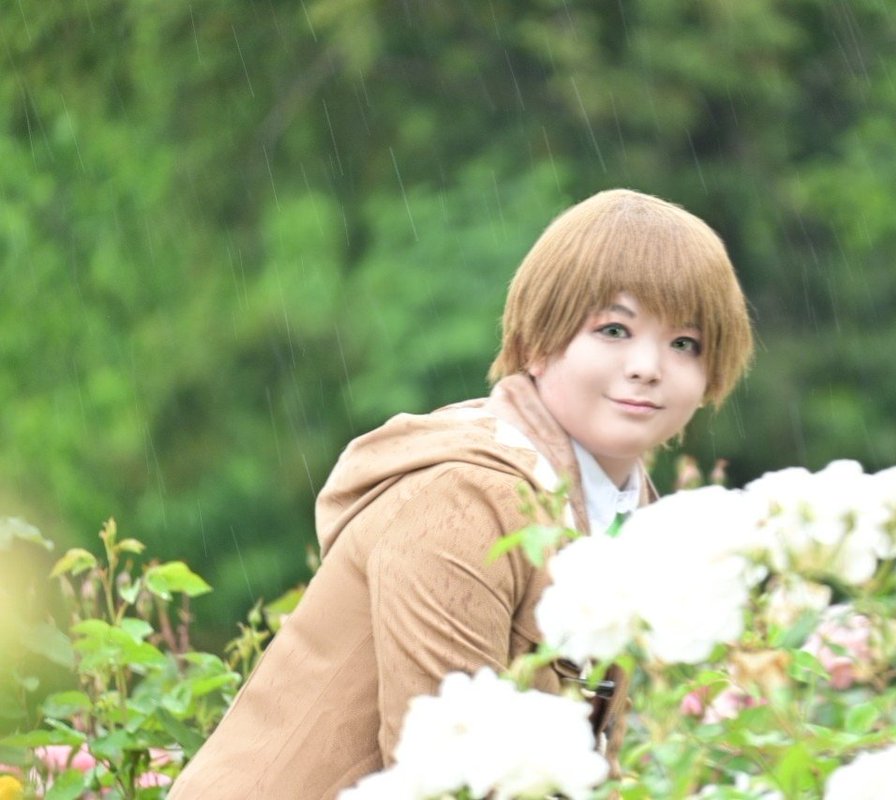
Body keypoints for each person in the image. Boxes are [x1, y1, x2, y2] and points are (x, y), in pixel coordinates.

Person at [167, 188, 754, 799]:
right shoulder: (461, 499)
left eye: (684, 343)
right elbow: (448, 781)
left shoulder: (630, 521)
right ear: (537, 342)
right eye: (613, 329)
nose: (648, 366)